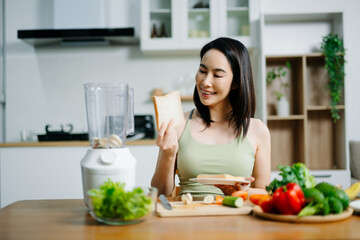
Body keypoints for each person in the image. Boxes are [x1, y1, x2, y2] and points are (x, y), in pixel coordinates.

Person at [151, 37, 271, 197]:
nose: (205, 81)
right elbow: (160, 194)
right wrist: (168, 153)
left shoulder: (257, 130)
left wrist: (244, 192)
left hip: (239, 220)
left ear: (235, 82)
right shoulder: (179, 124)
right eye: (202, 71)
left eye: (217, 75)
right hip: (188, 218)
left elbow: (265, 193)